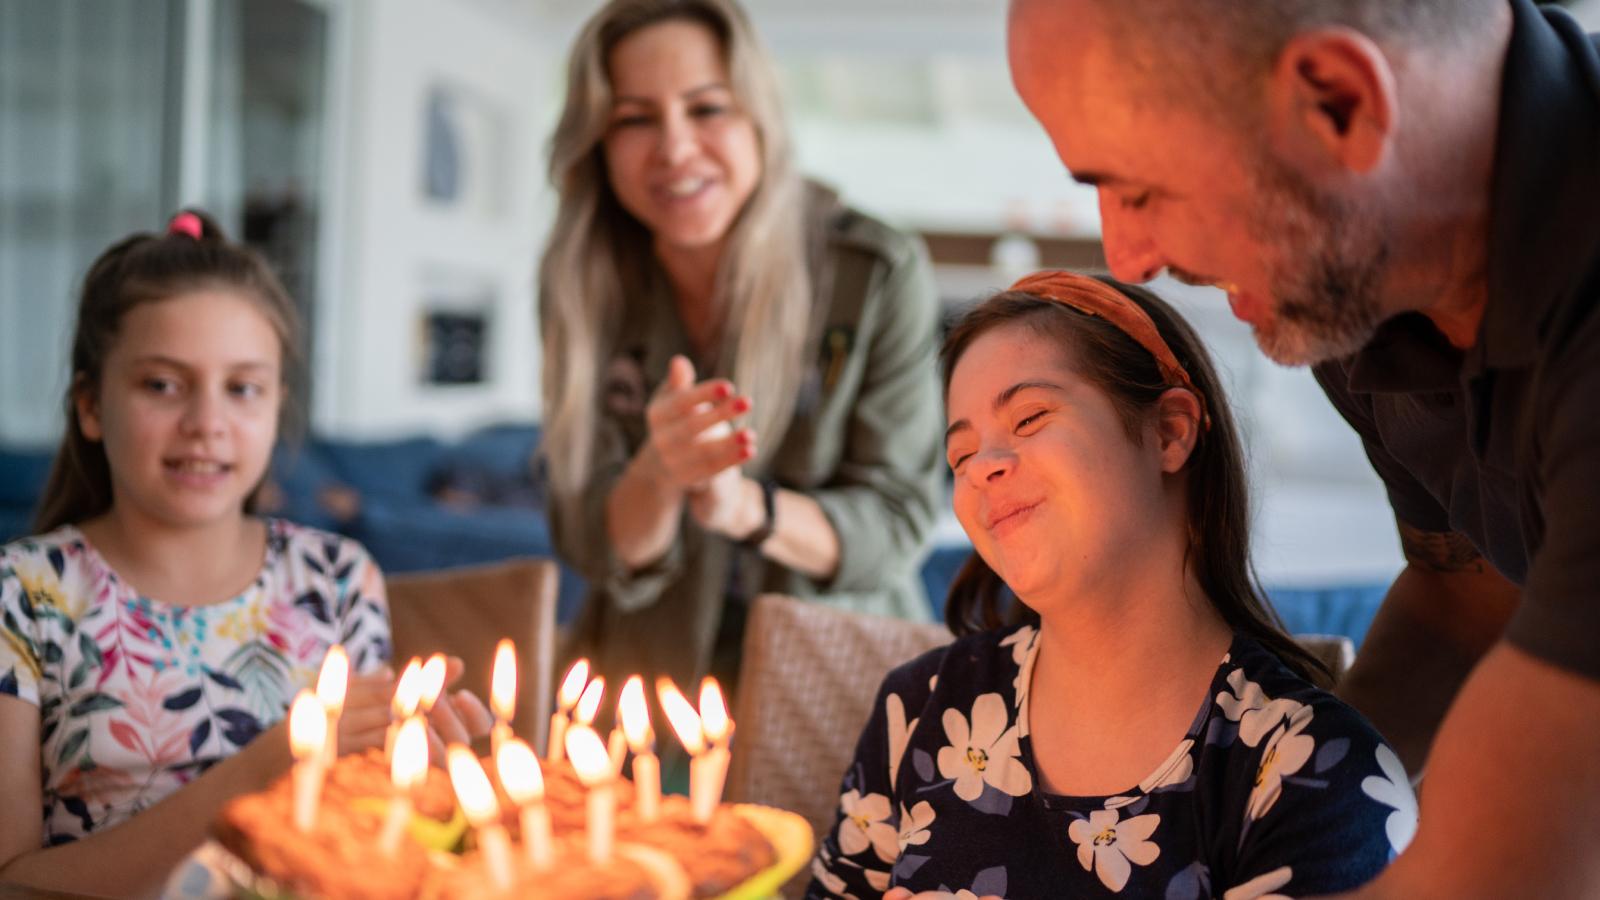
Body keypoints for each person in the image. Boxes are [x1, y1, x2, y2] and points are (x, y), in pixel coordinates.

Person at [1004, 0, 1600, 895]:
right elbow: (1462, 597)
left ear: (1338, 105)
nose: (1127, 256)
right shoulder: (1364, 286)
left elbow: (1507, 870)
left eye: (1141, 188)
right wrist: (1242, 814)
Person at [811, 272, 1413, 899]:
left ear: (1169, 431)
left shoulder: (1312, 774)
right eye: (960, 456)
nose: (983, 468)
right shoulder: (919, 709)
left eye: (1030, 417)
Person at [0, 212, 489, 896]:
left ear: (276, 405)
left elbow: (357, 841)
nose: (207, 423)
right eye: (163, 385)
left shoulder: (339, 580)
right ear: (89, 405)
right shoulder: (23, 598)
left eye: (242, 388)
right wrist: (274, 761)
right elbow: (12, 882)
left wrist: (421, 769)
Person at [539, 0, 944, 692]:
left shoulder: (872, 271)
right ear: (599, 144)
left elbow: (899, 521)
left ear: (760, 119)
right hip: (645, 690)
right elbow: (586, 537)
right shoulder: (582, 283)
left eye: (707, 108)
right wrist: (657, 475)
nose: (673, 147)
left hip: (838, 686)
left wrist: (747, 511)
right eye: (634, 118)